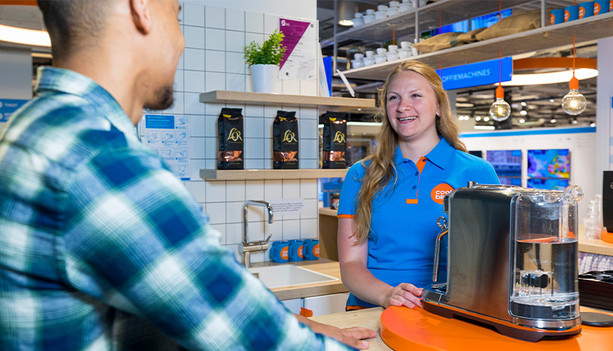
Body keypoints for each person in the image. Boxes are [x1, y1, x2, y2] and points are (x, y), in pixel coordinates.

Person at [0, 0, 375, 349]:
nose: (181, 43)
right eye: (177, 17)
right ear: (140, 8)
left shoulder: (38, 129)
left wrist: (305, 325)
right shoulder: (97, 158)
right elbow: (257, 340)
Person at [337, 60, 500, 310]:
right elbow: (350, 263)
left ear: (438, 106)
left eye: (416, 95)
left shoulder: (477, 172)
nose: (403, 107)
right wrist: (387, 295)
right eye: (393, 98)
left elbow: (494, 258)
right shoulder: (360, 175)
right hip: (372, 309)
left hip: (448, 312)